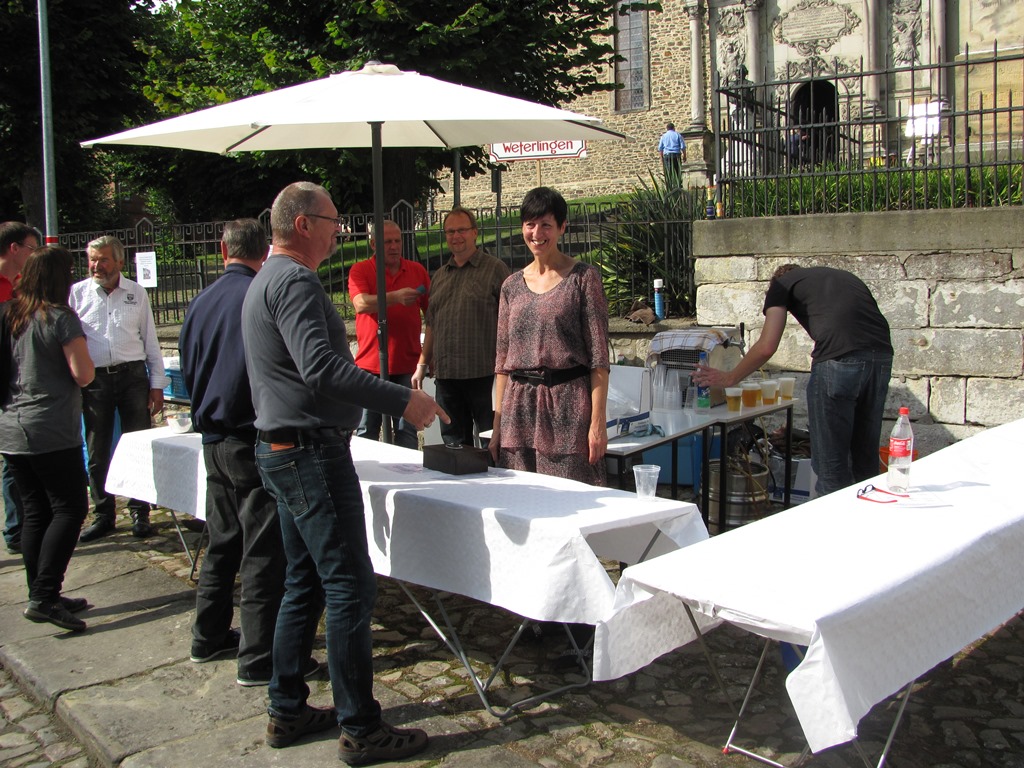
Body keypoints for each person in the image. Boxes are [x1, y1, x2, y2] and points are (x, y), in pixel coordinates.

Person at [241, 181, 446, 763]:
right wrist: (401, 400)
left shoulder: (264, 280)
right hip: (309, 452)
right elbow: (322, 370)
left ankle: (287, 710)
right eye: (333, 220)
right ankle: (360, 726)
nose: (341, 229)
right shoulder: (297, 281)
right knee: (349, 586)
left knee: (303, 582)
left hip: (282, 448)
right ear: (304, 223)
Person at [179, 219, 320, 685]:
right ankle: (258, 658)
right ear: (263, 251)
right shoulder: (259, 295)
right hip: (246, 436)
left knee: (221, 542)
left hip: (211, 437)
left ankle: (207, 634)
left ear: (222, 249)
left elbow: (189, 364)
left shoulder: (200, 301)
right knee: (263, 553)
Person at [693, 264, 893, 496]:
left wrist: (730, 377)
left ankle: (836, 526)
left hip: (837, 361)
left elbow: (767, 346)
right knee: (865, 459)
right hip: (881, 358)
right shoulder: (840, 278)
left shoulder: (781, 284)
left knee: (831, 467)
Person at [0, 246, 95, 632]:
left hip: (11, 425)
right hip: (50, 427)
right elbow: (83, 373)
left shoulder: (9, 314)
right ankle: (44, 593)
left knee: (35, 510)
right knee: (70, 507)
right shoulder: (60, 318)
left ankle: (40, 591)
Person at [490, 187, 610, 486]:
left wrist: (597, 424)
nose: (537, 233)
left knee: (571, 497)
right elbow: (503, 363)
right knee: (520, 499)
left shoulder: (583, 279)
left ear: (561, 228)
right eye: (530, 224)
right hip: (518, 410)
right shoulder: (511, 286)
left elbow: (599, 359)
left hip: (567, 406)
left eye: (546, 224)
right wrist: (497, 426)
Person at [71, 235, 167, 541]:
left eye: (103, 259)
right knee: (98, 448)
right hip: (95, 379)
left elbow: (150, 341)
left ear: (119, 262)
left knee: (137, 445)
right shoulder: (78, 294)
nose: (97, 266)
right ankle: (104, 514)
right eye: (92, 260)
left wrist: (157, 385)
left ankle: (141, 512)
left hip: (132, 376)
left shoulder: (135, 293)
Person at [412, 207, 510, 447]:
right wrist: (422, 364)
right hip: (447, 378)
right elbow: (432, 322)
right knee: (454, 448)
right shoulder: (440, 276)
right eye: (450, 231)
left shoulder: (495, 270)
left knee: (493, 444)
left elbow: (510, 321)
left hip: (484, 375)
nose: (456, 236)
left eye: (462, 230)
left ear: (475, 232)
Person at [348, 219, 429, 449]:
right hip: (370, 367)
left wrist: (427, 359)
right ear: (374, 244)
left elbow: (431, 313)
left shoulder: (417, 270)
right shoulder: (360, 270)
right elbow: (361, 303)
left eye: (397, 241)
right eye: (387, 242)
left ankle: (409, 481)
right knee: (367, 431)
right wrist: (395, 297)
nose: (394, 246)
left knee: (407, 433)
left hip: (407, 365)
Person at [0, 222, 38, 555]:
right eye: (30, 248)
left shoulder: (23, 286)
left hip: (19, 388)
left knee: (11, 463)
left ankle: (18, 530)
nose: (33, 255)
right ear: (14, 249)